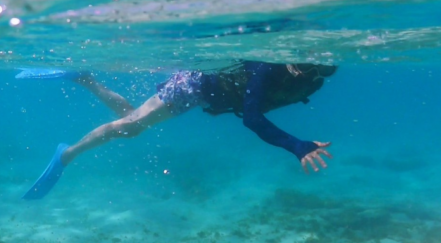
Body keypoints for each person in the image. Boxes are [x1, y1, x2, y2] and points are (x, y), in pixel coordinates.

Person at [18, 60, 337, 200]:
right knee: (131, 125)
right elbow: (252, 118)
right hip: (195, 86)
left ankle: (83, 78)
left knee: (132, 120)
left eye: (322, 69)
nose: (307, 71)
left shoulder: (309, 80)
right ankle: (67, 154)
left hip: (207, 94)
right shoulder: (268, 67)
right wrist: (296, 145)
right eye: (306, 62)